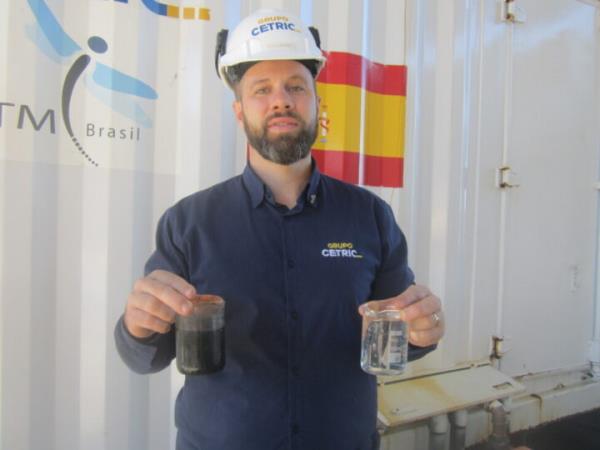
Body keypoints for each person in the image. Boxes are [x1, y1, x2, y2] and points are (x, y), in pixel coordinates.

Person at [114, 8, 445, 450]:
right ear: (239, 112)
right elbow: (147, 356)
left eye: (295, 87)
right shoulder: (188, 222)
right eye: (261, 89)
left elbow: (397, 337)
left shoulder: (369, 216)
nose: (281, 100)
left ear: (317, 104)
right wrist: (137, 326)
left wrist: (422, 332)